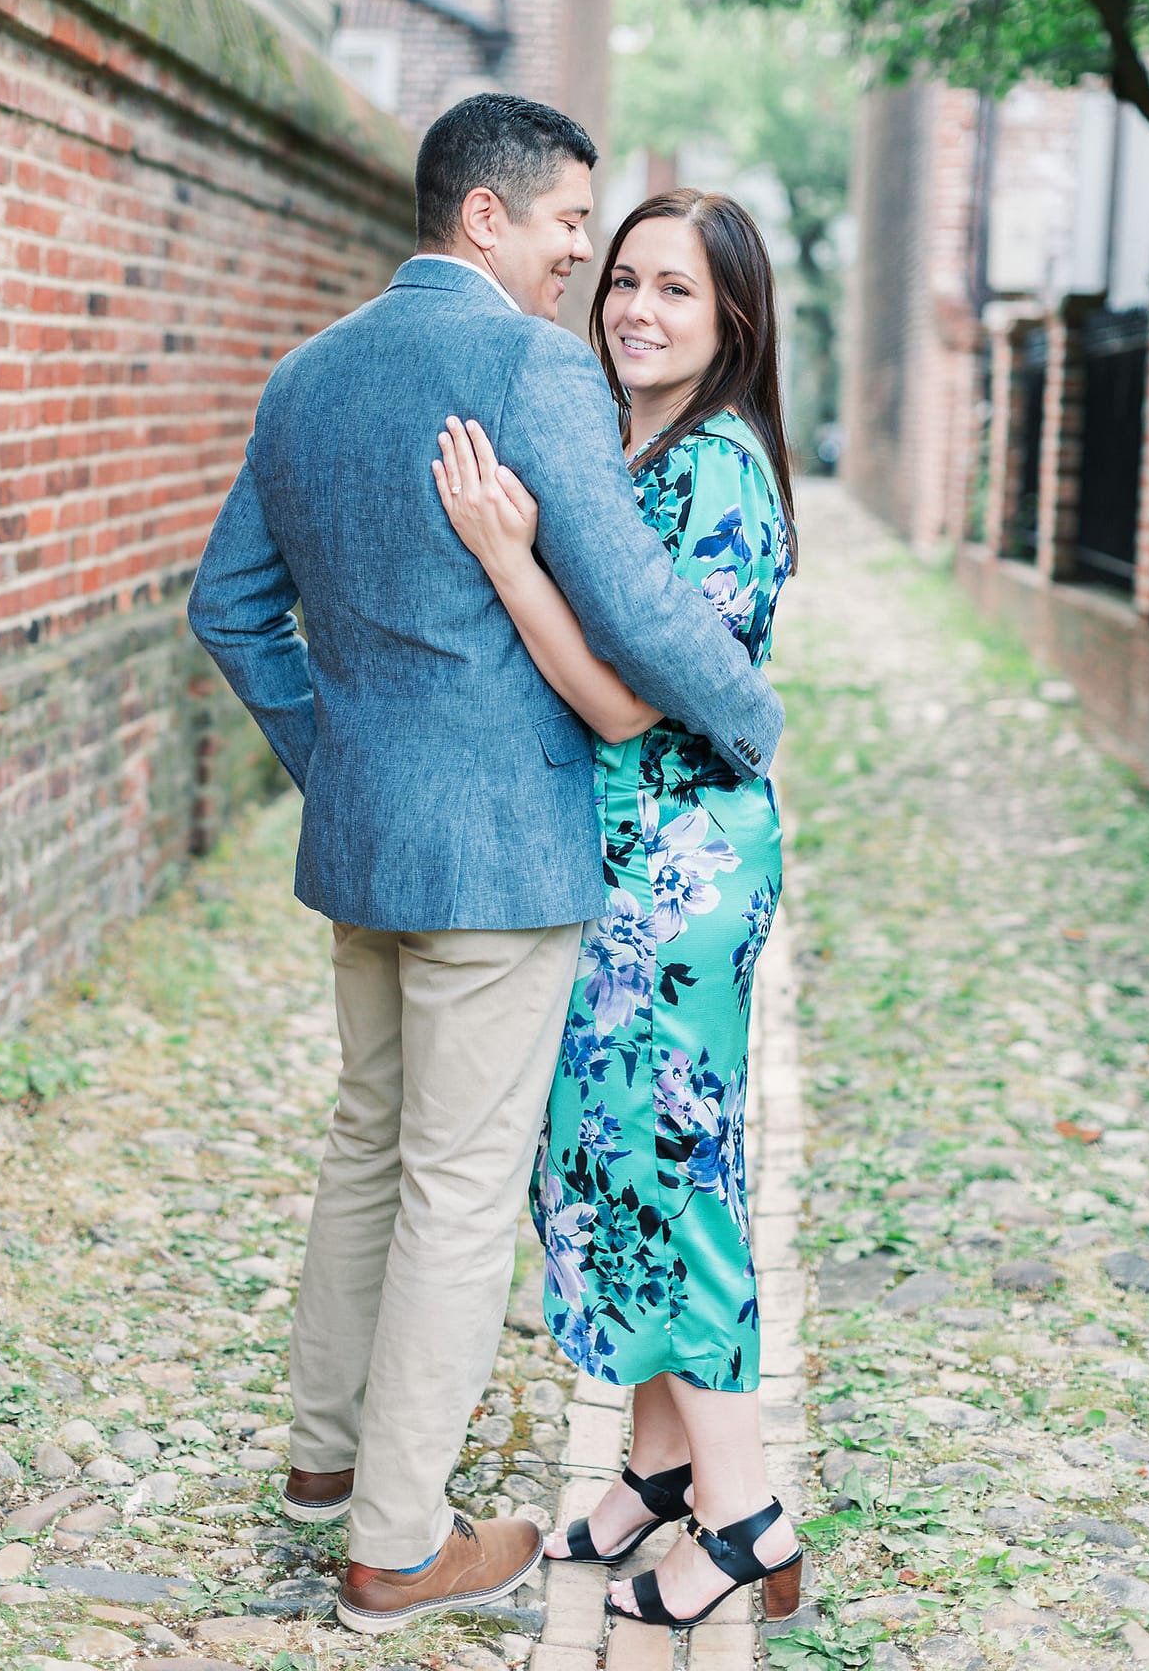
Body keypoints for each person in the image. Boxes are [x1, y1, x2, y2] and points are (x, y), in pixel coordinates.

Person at [186, 98, 783, 1637]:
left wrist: (338, 764)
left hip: (367, 846)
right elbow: (636, 601)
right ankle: (396, 1544)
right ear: (486, 216)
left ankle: (325, 1460)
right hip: (505, 856)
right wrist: (751, 713)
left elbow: (227, 608)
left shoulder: (307, 374)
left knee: (366, 1147)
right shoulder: (530, 368)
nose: (582, 252)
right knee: (455, 1189)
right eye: (573, 222)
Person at [432, 189, 802, 1630]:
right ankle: (656, 1468)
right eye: (626, 280)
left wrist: (503, 555)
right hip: (633, 865)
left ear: (733, 321)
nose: (637, 310)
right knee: (623, 1165)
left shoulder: (715, 469)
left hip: (679, 877)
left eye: (677, 292)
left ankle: (747, 1515)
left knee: (675, 1173)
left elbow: (625, 701)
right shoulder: (644, 445)